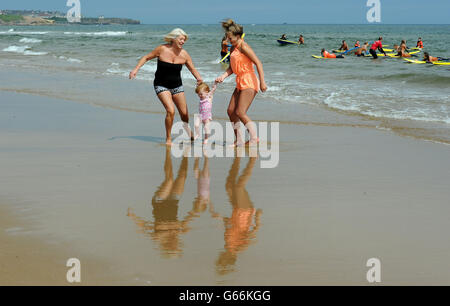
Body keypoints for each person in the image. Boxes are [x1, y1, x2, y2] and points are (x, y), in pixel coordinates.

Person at [129, 28, 203, 146]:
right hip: (161, 84)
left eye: (184, 40)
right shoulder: (162, 49)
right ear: (173, 39)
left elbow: (192, 68)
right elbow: (146, 57)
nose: (183, 41)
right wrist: (135, 69)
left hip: (177, 86)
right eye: (181, 39)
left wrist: (199, 79)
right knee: (171, 110)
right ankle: (168, 138)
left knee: (184, 114)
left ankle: (188, 132)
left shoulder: (184, 54)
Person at [216, 19, 267, 146]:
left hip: (249, 81)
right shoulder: (233, 47)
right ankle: (238, 139)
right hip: (240, 81)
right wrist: (223, 76)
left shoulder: (244, 46)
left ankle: (254, 138)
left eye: (230, 38)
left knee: (240, 112)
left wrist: (262, 82)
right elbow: (232, 68)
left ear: (238, 36)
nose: (228, 41)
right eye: (227, 38)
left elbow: (258, 63)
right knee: (230, 111)